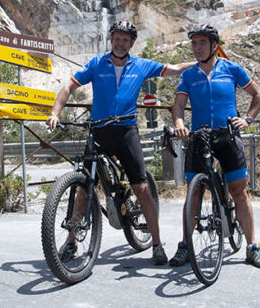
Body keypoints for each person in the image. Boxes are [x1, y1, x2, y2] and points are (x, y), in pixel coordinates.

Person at [46, 19, 195, 266]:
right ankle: (71, 241)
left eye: (126, 39)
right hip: (99, 131)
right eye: (117, 38)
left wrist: (203, 62)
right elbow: (68, 87)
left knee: (142, 189)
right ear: (111, 39)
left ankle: (157, 244)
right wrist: (55, 112)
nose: (121, 43)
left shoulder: (142, 65)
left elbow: (176, 68)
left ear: (132, 43)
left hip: (126, 131)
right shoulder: (96, 64)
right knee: (83, 188)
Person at [169, 23, 260, 269]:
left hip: (227, 135)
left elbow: (259, 95)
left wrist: (247, 119)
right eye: (194, 43)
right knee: (193, 195)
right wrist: (180, 123)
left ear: (215, 45)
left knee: (239, 192)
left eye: (202, 42)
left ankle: (252, 246)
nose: (197, 47)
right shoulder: (188, 75)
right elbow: (179, 106)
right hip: (199, 137)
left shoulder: (232, 69)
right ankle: (185, 245)